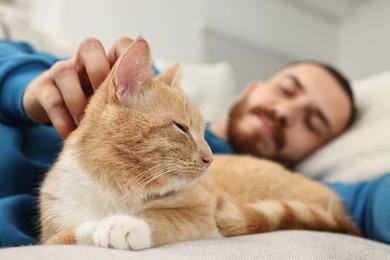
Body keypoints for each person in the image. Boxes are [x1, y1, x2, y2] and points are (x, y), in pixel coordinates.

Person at [0, 37, 389, 247]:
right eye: (288, 90)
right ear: (253, 88)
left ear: (317, 150)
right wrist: (24, 89)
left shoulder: (213, 169)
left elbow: (359, 206)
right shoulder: (139, 89)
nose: (288, 113)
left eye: (314, 121)